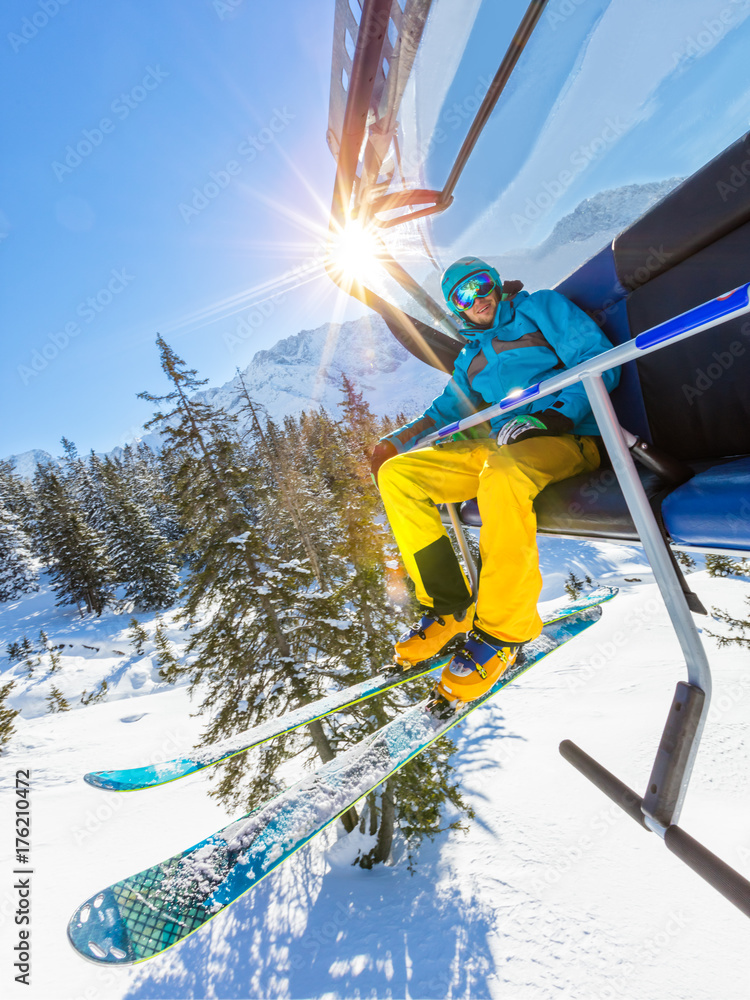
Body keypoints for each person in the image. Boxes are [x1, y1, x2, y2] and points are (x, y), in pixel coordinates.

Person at [371, 257, 619, 711]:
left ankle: (506, 629)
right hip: (501, 444)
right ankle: (447, 607)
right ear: (456, 309)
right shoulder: (469, 358)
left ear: (497, 284)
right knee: (399, 476)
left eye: (482, 285)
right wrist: (395, 441)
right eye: (464, 297)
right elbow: (444, 412)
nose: (478, 299)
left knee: (500, 476)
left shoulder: (540, 309)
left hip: (568, 435)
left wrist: (553, 415)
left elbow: (598, 360)